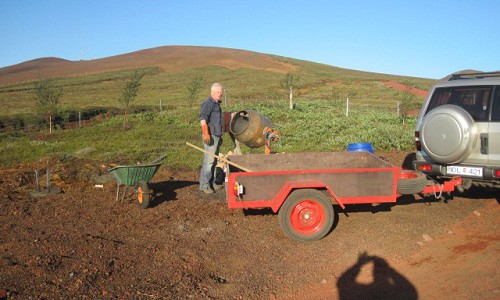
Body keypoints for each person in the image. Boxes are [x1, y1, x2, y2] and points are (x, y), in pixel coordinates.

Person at [199, 83, 224, 194]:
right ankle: (204, 185)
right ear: (212, 92)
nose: (220, 94)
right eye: (218, 92)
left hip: (216, 136)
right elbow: (202, 118)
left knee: (214, 161)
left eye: (221, 92)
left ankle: (212, 183)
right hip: (210, 136)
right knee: (208, 161)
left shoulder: (216, 104)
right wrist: (205, 133)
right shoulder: (208, 103)